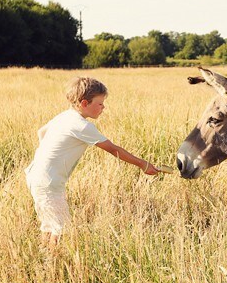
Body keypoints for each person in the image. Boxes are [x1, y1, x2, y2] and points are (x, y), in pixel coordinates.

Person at [25, 76, 161, 249]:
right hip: (49, 182)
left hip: (36, 176)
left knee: (49, 224)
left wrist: (48, 155)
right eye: (100, 104)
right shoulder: (82, 126)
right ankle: (51, 266)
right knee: (61, 229)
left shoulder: (64, 116)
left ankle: (44, 257)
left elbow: (41, 132)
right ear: (84, 103)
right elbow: (113, 149)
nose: (103, 108)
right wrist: (143, 164)